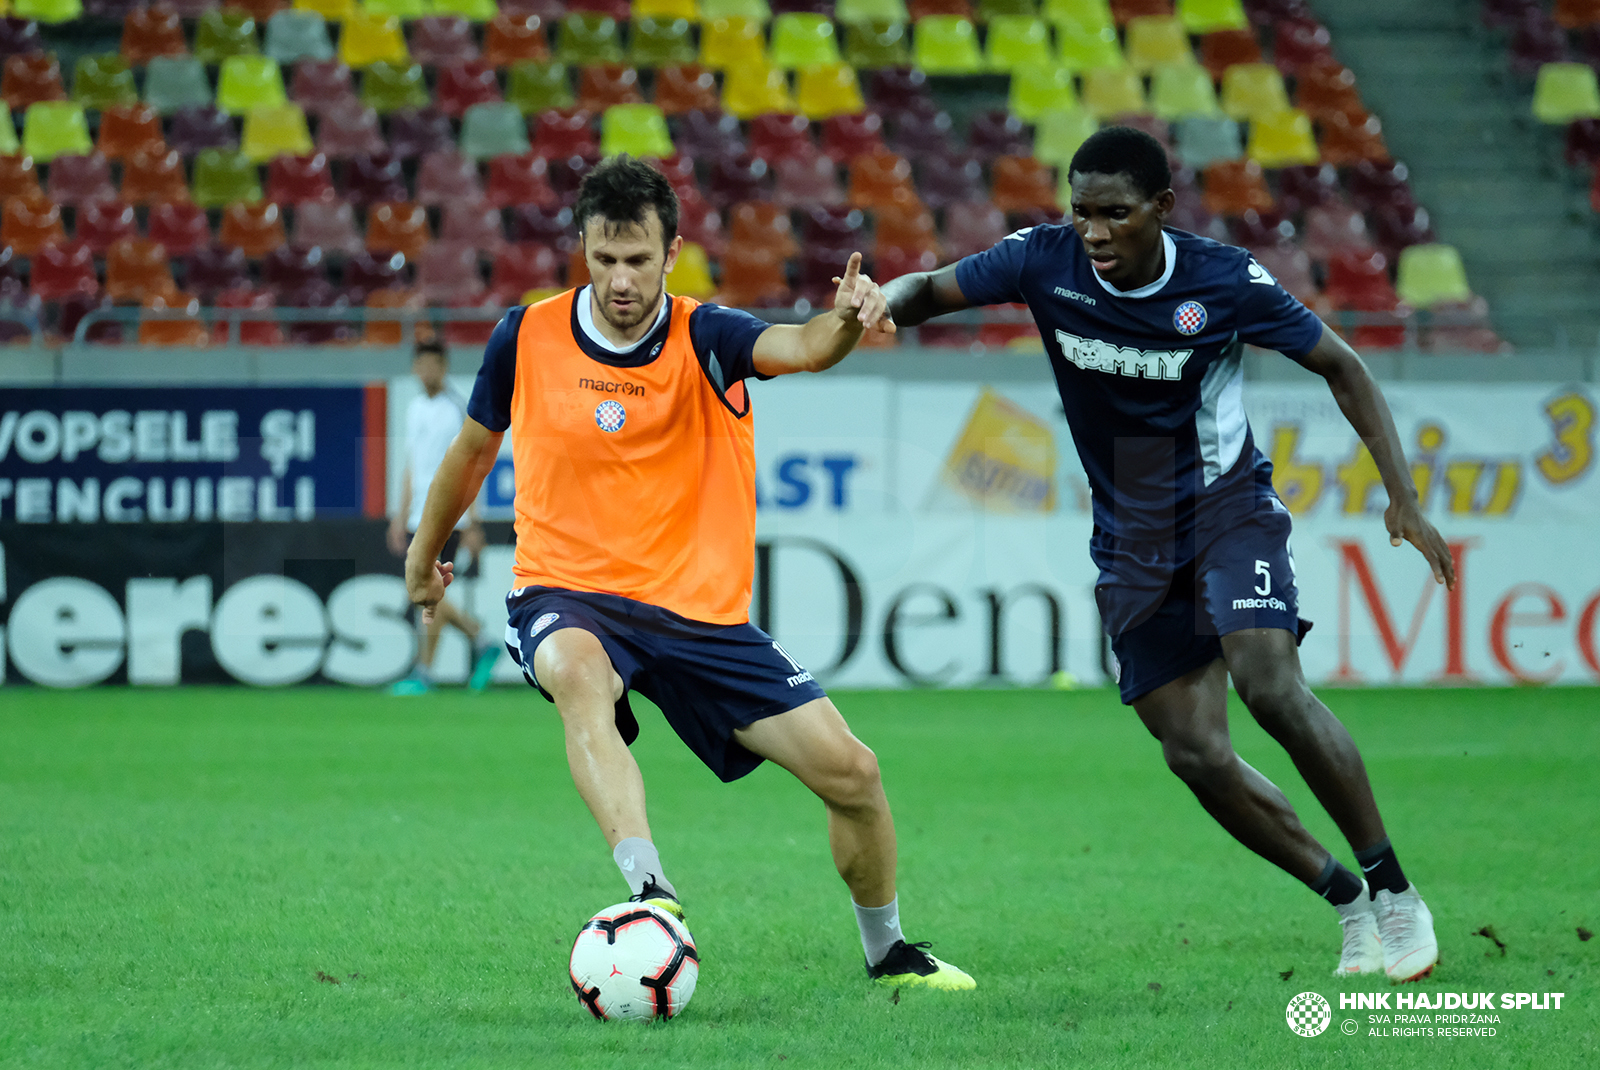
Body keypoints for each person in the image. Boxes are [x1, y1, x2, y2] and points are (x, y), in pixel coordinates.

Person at [882, 126, 1448, 983]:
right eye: (1082, 214)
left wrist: (1401, 494)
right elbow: (927, 289)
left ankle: (1397, 892)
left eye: (1115, 213)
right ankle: (1346, 901)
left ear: (1162, 208)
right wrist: (872, 304)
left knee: (1268, 682)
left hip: (1227, 507)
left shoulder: (1223, 282)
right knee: (1192, 752)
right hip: (1131, 534)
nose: (1096, 232)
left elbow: (1344, 366)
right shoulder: (1043, 260)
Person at [403, 155, 975, 991]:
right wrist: (424, 556)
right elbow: (471, 450)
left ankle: (888, 951)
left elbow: (804, 346)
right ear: (584, 249)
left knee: (854, 775)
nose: (620, 279)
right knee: (575, 672)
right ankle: (649, 890)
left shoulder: (710, 336)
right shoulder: (523, 336)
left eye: (638, 260)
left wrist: (846, 321)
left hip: (697, 615)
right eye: (604, 259)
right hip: (567, 589)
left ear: (672, 253)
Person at [388, 340, 501, 695]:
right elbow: (412, 465)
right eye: (421, 365)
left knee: (427, 588)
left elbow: (471, 466)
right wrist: (399, 513)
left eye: (434, 365)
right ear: (414, 369)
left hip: (447, 512)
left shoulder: (456, 409)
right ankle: (480, 641)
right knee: (425, 589)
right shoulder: (416, 407)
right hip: (417, 512)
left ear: (444, 368)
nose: (427, 371)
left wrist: (474, 522)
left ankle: (425, 671)